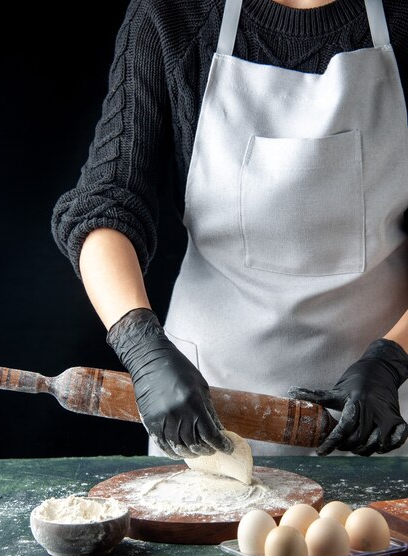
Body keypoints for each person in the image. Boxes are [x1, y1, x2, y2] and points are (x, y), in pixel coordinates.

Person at [52, 0, 408, 460]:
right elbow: (104, 204)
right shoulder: (170, 16)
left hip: (377, 414)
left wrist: (392, 361)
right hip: (209, 408)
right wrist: (140, 346)